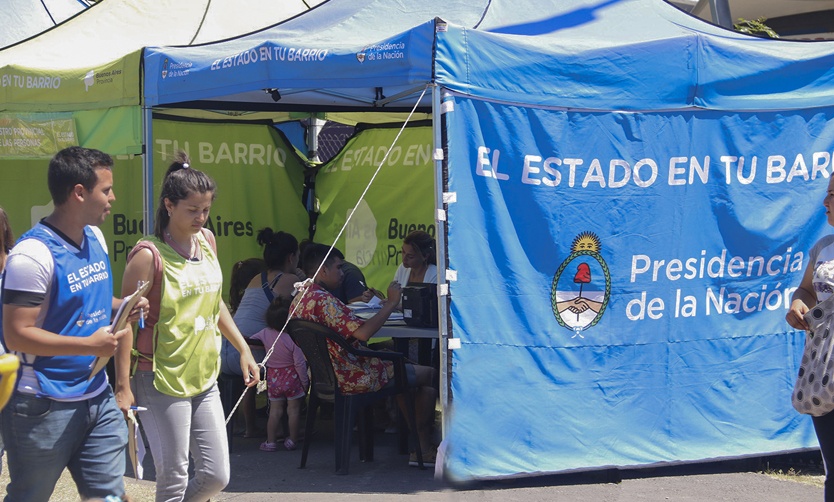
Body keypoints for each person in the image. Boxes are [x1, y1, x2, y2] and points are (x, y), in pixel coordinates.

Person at [0, 147, 147, 501]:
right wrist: (89, 346)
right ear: (79, 192)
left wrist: (123, 306)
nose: (113, 197)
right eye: (106, 189)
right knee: (29, 496)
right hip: (41, 403)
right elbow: (17, 333)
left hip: (96, 397)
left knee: (108, 495)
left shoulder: (94, 237)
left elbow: (90, 303)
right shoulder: (31, 256)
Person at [115, 152, 260, 501]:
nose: (200, 217)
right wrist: (122, 386)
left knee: (215, 476)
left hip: (203, 376)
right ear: (168, 204)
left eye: (206, 210)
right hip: (158, 377)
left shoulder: (207, 241)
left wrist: (242, 349)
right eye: (192, 210)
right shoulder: (149, 256)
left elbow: (215, 301)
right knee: (174, 478)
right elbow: (124, 323)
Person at [291, 243, 438, 466]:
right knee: (427, 375)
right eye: (339, 268)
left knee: (401, 367)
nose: (343, 273)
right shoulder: (325, 301)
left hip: (327, 375)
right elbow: (363, 334)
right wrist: (391, 303)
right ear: (323, 270)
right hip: (353, 375)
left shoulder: (301, 298)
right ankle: (423, 448)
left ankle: (418, 446)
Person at [221, 228, 301, 438]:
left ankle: (250, 428)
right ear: (292, 257)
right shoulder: (290, 280)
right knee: (296, 362)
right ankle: (288, 429)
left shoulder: (257, 277)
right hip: (251, 356)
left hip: (227, 352)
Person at [787, 174, 834, 502]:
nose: (825, 202)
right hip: (825, 371)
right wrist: (798, 303)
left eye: (832, 194)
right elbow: (805, 289)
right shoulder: (823, 247)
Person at [251, 297, 308, 452]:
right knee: (293, 411)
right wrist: (305, 382)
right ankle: (292, 440)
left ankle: (271, 442)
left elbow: (251, 342)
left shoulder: (264, 333)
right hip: (292, 378)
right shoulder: (292, 338)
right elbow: (300, 363)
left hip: (273, 378)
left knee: (275, 411)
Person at [391, 230, 438, 308]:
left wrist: (398, 306)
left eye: (410, 256)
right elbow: (395, 298)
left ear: (425, 256)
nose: (404, 259)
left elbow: (430, 309)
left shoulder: (435, 275)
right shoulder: (402, 269)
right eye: (403, 252)